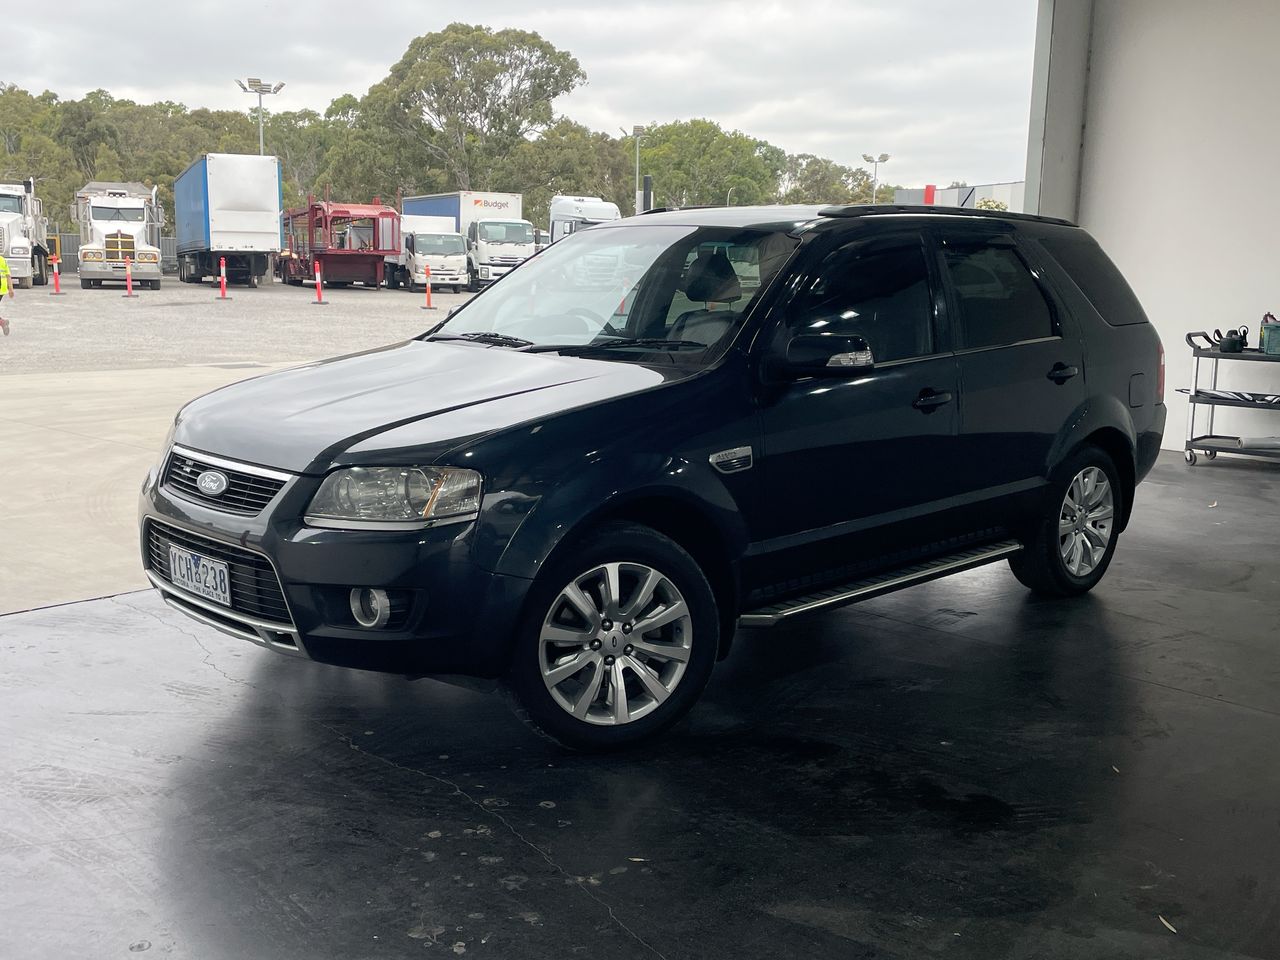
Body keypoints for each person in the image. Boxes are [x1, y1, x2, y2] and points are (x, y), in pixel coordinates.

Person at [0, 251, 10, 335]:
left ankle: (2, 322)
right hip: (2, 289)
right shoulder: (2, 260)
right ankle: (2, 322)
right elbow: (8, 275)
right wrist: (11, 289)